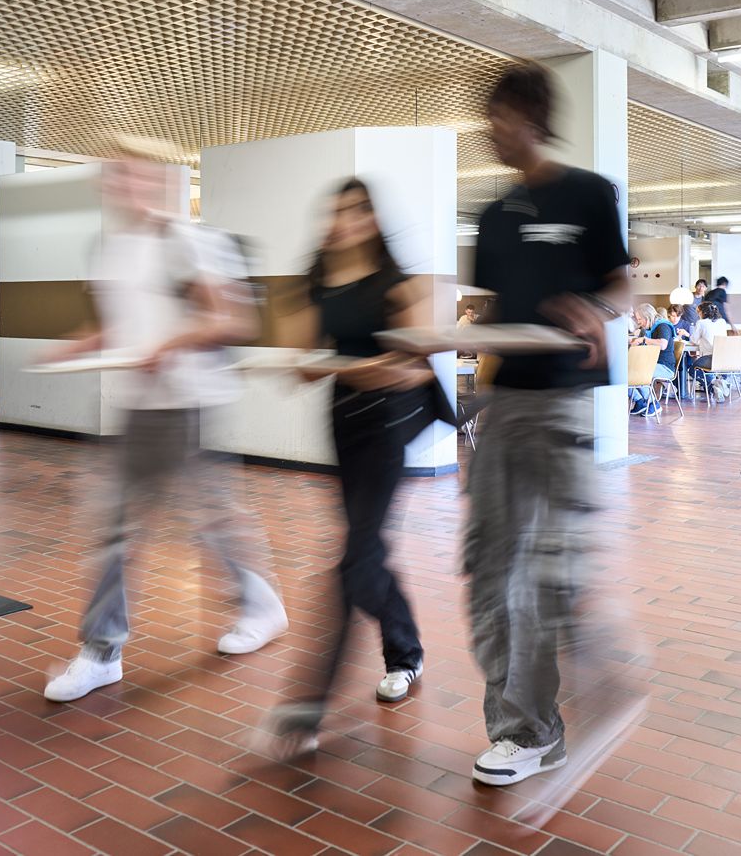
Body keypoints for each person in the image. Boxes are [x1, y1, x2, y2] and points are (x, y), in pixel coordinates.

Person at [42, 153, 288, 702]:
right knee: (120, 526)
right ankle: (103, 651)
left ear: (158, 183)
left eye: (135, 175)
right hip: (140, 407)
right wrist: (76, 346)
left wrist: (170, 345)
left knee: (208, 519)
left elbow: (233, 319)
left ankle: (260, 605)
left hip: (189, 400)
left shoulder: (184, 241)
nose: (123, 184)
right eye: (114, 176)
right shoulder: (111, 248)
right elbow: (116, 325)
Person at [464, 63, 633, 787]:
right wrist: (470, 370)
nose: (491, 131)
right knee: (488, 569)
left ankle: (535, 726)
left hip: (563, 403)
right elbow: (496, 313)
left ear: (530, 116)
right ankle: (525, 716)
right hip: (505, 406)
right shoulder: (494, 216)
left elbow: (620, 283)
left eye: (498, 117)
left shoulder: (590, 193)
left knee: (542, 571)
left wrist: (599, 311)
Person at [271, 178, 438, 754]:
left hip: (388, 427)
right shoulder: (315, 279)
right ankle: (407, 649)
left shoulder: (398, 283)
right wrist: (345, 365)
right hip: (343, 425)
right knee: (366, 555)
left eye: (357, 211)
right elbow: (299, 364)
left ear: (372, 219)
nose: (346, 222)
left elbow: (417, 368)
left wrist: (356, 367)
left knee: (351, 562)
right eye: (338, 211)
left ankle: (305, 707)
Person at [628, 304, 676, 414]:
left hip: (665, 367)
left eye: (640, 319)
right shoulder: (647, 329)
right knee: (625, 373)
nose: (638, 322)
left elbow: (663, 344)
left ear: (647, 316)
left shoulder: (663, 326)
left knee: (638, 373)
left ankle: (654, 404)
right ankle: (640, 401)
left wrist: (643, 340)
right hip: (651, 364)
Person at [689, 300, 732, 400]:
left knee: (692, 370)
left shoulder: (701, 323)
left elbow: (693, 340)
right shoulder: (722, 322)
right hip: (725, 358)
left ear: (703, 312)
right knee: (706, 369)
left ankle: (714, 385)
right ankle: (719, 384)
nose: (697, 315)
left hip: (710, 358)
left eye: (698, 312)